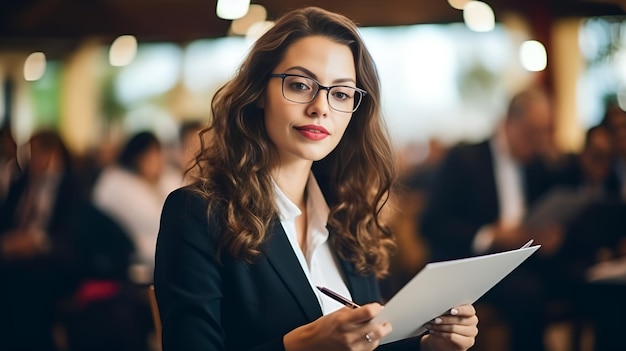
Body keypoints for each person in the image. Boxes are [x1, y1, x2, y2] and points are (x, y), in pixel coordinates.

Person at [154, 6, 478, 351]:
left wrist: (428, 345)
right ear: (259, 92)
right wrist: (302, 345)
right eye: (299, 84)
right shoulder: (197, 213)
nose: (320, 106)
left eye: (340, 93)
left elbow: (370, 342)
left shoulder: (349, 213)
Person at [420, 88, 560, 351]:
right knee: (528, 292)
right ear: (509, 122)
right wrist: (490, 235)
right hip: (475, 266)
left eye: (545, 132)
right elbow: (431, 225)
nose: (539, 141)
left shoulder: (537, 165)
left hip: (525, 258)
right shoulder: (464, 159)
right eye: (533, 131)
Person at [0, 130, 83, 351]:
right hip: (14, 254)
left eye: (35, 153)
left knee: (25, 282)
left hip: (52, 258)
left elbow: (71, 236)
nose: (29, 160)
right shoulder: (21, 182)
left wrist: (36, 242)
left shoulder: (71, 186)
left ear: (51, 153)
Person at [92, 131, 180, 280]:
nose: (154, 160)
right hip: (135, 262)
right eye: (148, 156)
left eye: (157, 154)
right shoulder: (117, 183)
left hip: (170, 258)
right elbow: (153, 221)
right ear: (135, 157)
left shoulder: (170, 179)